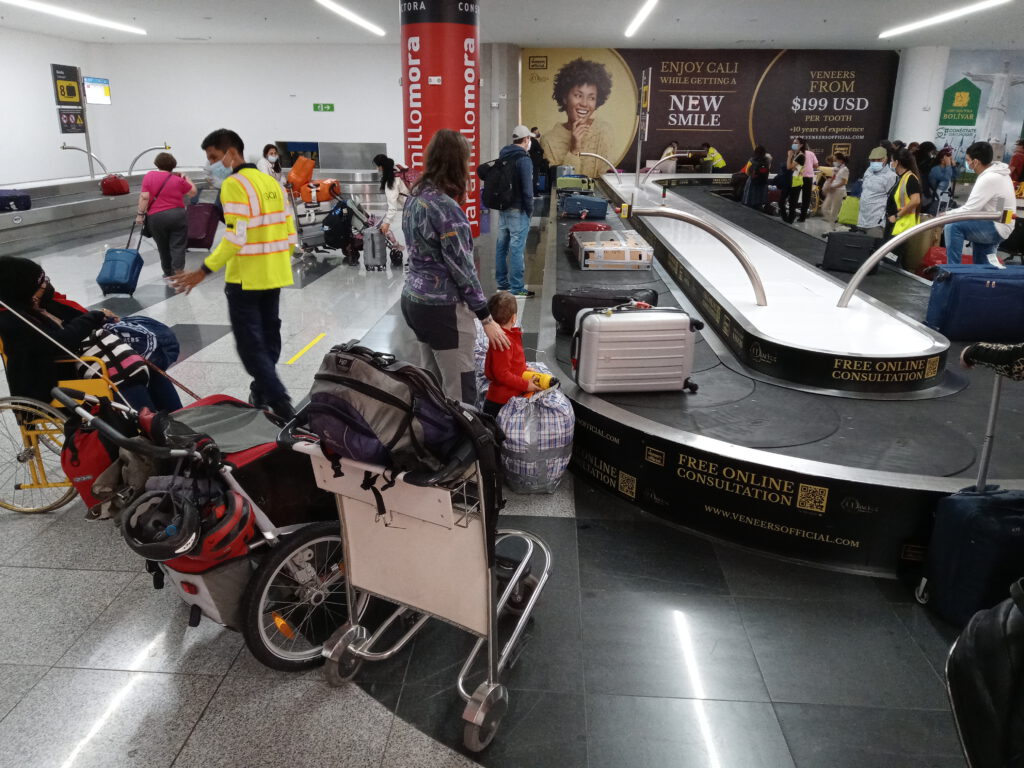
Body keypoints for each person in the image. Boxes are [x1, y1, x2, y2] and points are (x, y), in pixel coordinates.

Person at [170, 128, 298, 420]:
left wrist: (203, 271)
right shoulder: (272, 183)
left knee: (251, 345)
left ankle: (280, 403)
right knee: (269, 339)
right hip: (275, 275)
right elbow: (291, 233)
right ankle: (262, 391)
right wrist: (276, 262)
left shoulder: (234, 185)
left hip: (245, 279)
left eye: (214, 157)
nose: (213, 164)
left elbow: (235, 237)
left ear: (232, 153)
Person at [401, 129, 510, 405]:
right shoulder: (446, 209)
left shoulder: (416, 197)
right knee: (460, 394)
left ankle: (435, 443)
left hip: (414, 301)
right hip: (444, 311)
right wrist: (486, 319)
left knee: (430, 387)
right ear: (457, 163)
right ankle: (463, 447)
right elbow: (463, 271)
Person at [0, 257, 181, 411]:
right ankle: (153, 431)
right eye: (42, 283)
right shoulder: (13, 320)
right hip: (55, 378)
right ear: (24, 290)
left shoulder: (42, 305)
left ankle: (179, 423)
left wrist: (102, 318)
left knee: (145, 366)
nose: (47, 284)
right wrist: (94, 317)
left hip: (85, 362)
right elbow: (59, 343)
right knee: (126, 375)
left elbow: (80, 321)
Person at [941, 140, 1017, 267]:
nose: (967, 164)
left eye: (968, 160)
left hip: (996, 226)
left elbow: (970, 209)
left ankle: (952, 270)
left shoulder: (989, 178)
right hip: (998, 223)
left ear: (976, 162)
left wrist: (945, 215)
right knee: (983, 266)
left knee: (952, 226)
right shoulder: (1000, 174)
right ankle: (988, 283)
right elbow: (998, 203)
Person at [539, 57, 614, 178]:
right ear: (564, 97)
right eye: (578, 95)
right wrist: (574, 150)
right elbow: (560, 185)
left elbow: (606, 181)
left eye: (591, 97)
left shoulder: (604, 132)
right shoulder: (548, 140)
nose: (584, 103)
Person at [493, 125, 537, 298]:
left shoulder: (504, 155)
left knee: (501, 246)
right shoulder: (524, 159)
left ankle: (502, 284)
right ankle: (517, 287)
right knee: (517, 247)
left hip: (504, 207)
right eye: (529, 139)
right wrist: (530, 209)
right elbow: (527, 189)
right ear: (526, 139)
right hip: (518, 209)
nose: (529, 142)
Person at [137, 153, 197, 278]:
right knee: (178, 245)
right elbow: (193, 193)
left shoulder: (149, 176)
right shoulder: (178, 180)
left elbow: (144, 197)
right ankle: (178, 272)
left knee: (162, 246)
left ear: (157, 164)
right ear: (173, 166)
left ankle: (167, 272)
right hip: (177, 215)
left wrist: (140, 215)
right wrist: (187, 178)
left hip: (156, 217)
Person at [482, 291, 540, 418]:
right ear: (514, 318)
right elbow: (501, 373)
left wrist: (523, 369)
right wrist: (526, 385)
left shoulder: (503, 338)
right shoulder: (504, 342)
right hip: (501, 403)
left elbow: (493, 369)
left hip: (499, 400)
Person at [884, 147, 922, 244]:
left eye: (892, 161)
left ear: (897, 162)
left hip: (902, 225)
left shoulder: (910, 178)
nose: (891, 163)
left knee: (892, 257)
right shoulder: (902, 178)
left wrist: (897, 216)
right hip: (896, 224)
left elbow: (916, 200)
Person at [857, 146, 897, 237]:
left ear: (885, 159)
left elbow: (892, 198)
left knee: (875, 248)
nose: (874, 162)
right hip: (862, 218)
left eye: (878, 160)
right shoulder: (868, 171)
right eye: (872, 160)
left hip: (876, 221)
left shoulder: (891, 176)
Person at [372, 153, 409, 251]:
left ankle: (416, 259)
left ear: (381, 167)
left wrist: (387, 223)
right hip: (424, 202)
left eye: (377, 166)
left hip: (413, 208)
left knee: (410, 232)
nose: (377, 169)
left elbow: (392, 208)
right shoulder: (400, 169)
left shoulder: (391, 181)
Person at [820, 151, 850, 230]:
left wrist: (833, 187)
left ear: (841, 160)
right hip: (832, 190)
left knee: (834, 210)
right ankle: (834, 220)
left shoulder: (845, 169)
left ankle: (832, 228)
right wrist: (828, 185)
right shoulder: (836, 168)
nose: (834, 162)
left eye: (835, 160)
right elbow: (833, 178)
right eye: (834, 160)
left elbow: (844, 182)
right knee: (824, 208)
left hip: (839, 191)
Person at [793, 137, 819, 221]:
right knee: (806, 198)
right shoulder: (811, 153)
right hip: (808, 177)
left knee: (794, 196)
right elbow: (816, 165)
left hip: (798, 177)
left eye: (796, 143)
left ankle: (792, 214)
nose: (794, 144)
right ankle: (802, 217)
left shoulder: (797, 153)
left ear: (801, 145)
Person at [741, 145, 771, 209]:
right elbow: (767, 171)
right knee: (760, 199)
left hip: (753, 182)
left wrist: (752, 175)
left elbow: (747, 171)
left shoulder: (752, 160)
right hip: (763, 182)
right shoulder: (767, 161)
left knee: (750, 199)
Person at [928, 148, 955, 213]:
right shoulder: (935, 169)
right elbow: (946, 178)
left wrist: (954, 166)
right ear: (941, 159)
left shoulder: (948, 169)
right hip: (937, 199)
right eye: (948, 158)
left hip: (946, 198)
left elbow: (956, 176)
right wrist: (948, 164)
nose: (950, 160)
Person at [528, 127, 548, 193]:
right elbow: (540, 150)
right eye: (536, 132)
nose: (538, 133)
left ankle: (534, 191)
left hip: (535, 161)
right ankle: (535, 192)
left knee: (535, 177)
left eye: (538, 132)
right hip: (535, 162)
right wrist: (540, 151)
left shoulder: (533, 140)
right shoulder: (533, 141)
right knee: (535, 177)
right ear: (533, 133)